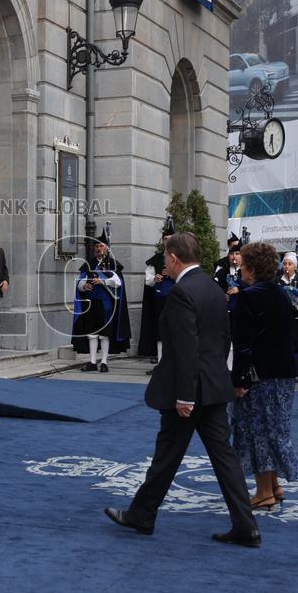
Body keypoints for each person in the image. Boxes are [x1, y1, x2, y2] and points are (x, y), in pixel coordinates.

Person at [103, 232, 260, 547]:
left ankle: (142, 515)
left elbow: (186, 348)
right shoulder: (216, 290)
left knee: (167, 456)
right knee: (223, 458)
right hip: (214, 387)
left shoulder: (181, 292)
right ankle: (246, 526)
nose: (164, 262)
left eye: (165, 257)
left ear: (174, 258)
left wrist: (185, 395)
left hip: (188, 392)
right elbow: (224, 339)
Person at [230, 242, 298, 511]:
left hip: (259, 375)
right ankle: (275, 485)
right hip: (284, 373)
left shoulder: (248, 296)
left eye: (242, 264)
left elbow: (243, 345)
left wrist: (239, 381)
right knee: (276, 429)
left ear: (250, 268)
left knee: (257, 431)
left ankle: (264, 492)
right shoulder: (280, 293)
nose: (239, 268)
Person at [71, 227, 130, 371]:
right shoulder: (88, 264)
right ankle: (92, 362)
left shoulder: (112, 264)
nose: (98, 248)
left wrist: (103, 282)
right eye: (96, 246)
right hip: (91, 304)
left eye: (101, 246)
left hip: (106, 304)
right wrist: (85, 287)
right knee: (92, 334)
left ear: (107, 247)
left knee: (104, 334)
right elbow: (80, 283)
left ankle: (104, 362)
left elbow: (118, 283)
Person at [137, 218, 176, 371]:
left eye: (171, 239)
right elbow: (148, 280)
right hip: (160, 300)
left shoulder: (181, 258)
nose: (168, 242)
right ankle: (161, 364)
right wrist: (156, 278)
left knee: (175, 331)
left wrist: (173, 275)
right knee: (160, 332)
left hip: (177, 300)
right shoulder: (156, 259)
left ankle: (173, 364)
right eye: (165, 239)